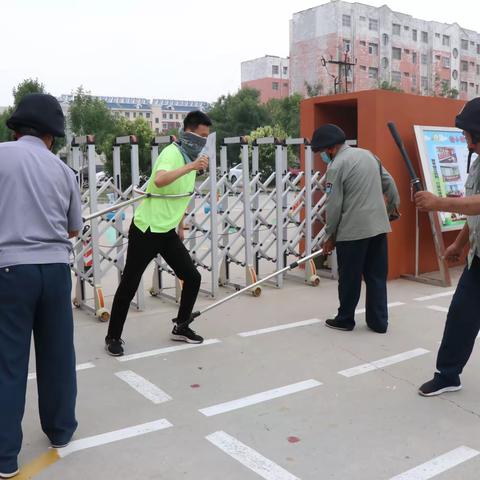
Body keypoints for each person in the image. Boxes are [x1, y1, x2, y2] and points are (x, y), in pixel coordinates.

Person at [0, 94, 82, 478]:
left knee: (8, 364)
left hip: (9, 273)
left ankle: (4, 457)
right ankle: (61, 431)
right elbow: (73, 228)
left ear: (15, 129)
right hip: (54, 269)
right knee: (57, 355)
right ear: (51, 136)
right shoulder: (62, 170)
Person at [105, 111, 211, 356]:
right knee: (130, 283)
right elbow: (159, 182)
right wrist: (191, 166)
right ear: (189, 132)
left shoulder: (190, 158)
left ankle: (181, 326)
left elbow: (182, 196)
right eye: (202, 135)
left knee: (192, 277)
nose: (204, 141)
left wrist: (181, 224)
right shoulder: (172, 154)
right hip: (147, 229)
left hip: (167, 232)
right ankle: (113, 337)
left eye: (207, 137)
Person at [415, 97, 480, 396]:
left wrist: (438, 202)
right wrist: (458, 243)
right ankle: (448, 374)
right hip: (478, 259)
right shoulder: (477, 162)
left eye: (467, 134)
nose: (465, 140)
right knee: (461, 315)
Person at [311, 124, 400, 333]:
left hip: (352, 232)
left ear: (331, 148)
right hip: (378, 227)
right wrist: (391, 209)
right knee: (376, 276)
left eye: (323, 152)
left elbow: (333, 207)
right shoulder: (368, 155)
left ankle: (345, 319)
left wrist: (330, 236)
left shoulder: (336, 166)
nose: (323, 156)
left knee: (350, 278)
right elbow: (390, 184)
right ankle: (379, 322)